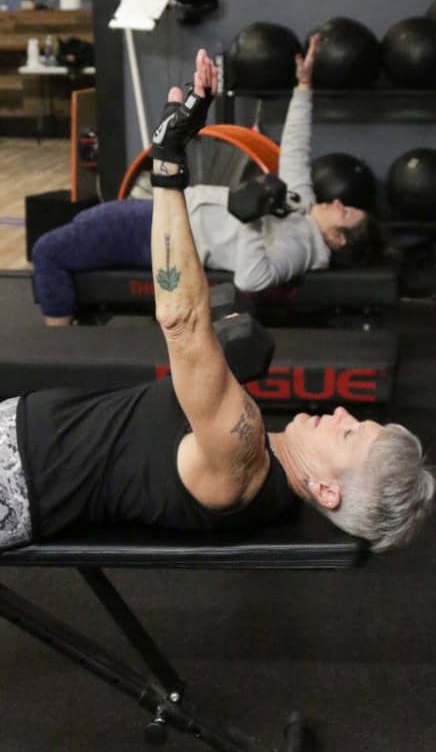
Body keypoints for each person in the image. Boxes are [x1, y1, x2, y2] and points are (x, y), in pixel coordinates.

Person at [0, 49, 433, 554]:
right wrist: (303, 88)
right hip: (23, 446)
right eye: (355, 422)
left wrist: (167, 164)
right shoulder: (256, 453)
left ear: (326, 490)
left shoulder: (241, 457)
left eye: (347, 434)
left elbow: (180, 319)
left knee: (54, 251)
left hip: (17, 474)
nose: (341, 413)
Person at [32, 34, 383, 325]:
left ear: (337, 240)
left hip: (170, 236)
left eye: (346, 212)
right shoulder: (302, 205)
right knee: (76, 232)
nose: (337, 201)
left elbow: (252, 279)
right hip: (168, 212)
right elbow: (295, 148)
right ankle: (75, 321)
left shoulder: (302, 249)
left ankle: (62, 349)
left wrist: (252, 219)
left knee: (49, 251)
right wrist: (304, 85)